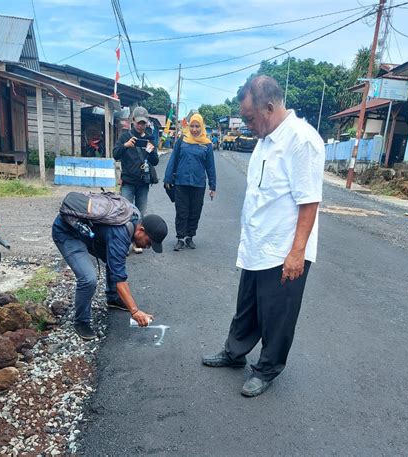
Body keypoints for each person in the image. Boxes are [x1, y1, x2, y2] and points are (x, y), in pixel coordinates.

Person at [202, 75, 325, 397]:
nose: (247, 125)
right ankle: (234, 352)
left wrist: (296, 253)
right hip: (259, 244)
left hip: (285, 249)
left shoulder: (301, 140)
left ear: (269, 107)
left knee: (277, 316)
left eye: (249, 118)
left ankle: (268, 368)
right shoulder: (266, 139)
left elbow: (309, 201)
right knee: (248, 307)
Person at [52, 206, 168, 340]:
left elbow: (116, 262)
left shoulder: (134, 217)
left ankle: (113, 298)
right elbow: (119, 278)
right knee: (89, 278)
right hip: (67, 232)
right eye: (148, 242)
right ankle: (81, 321)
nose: (147, 247)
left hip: (88, 233)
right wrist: (135, 311)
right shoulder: (120, 232)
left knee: (116, 257)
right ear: (141, 230)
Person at [164, 113, 216, 251]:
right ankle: (180, 238)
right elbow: (173, 159)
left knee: (195, 212)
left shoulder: (207, 144)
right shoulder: (183, 140)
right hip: (181, 182)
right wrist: (168, 178)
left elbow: (210, 166)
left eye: (197, 126)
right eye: (192, 126)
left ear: (202, 127)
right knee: (181, 211)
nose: (194, 129)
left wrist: (213, 185)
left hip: (198, 184)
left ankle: (189, 237)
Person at [114, 106, 159, 252]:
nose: (141, 126)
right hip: (128, 182)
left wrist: (151, 151)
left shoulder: (149, 138)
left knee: (140, 215)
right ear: (133, 121)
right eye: (139, 122)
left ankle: (136, 242)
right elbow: (115, 154)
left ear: (147, 123)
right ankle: (124, 244)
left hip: (143, 183)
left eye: (143, 123)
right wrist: (125, 146)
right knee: (125, 214)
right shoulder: (125, 137)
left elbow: (155, 161)